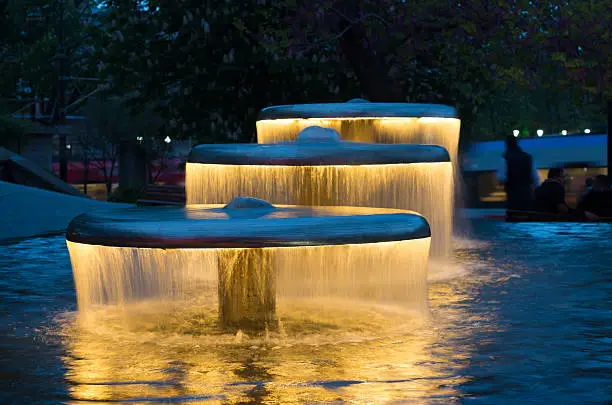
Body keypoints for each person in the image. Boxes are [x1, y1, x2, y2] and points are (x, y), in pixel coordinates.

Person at [496, 136, 540, 210]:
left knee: (515, 217)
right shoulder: (528, 157)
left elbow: (501, 178)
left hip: (513, 197)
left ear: (506, 144)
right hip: (527, 196)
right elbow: (535, 178)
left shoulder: (504, 158)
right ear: (517, 143)